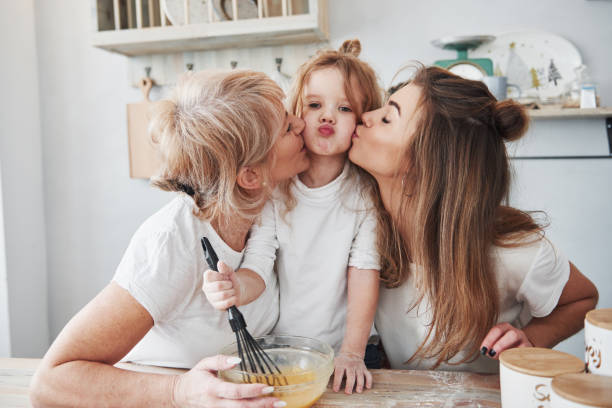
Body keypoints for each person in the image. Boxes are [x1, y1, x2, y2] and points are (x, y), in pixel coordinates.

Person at [30, 69, 310, 408]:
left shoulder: (266, 208)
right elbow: (50, 381)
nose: (302, 124)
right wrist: (178, 392)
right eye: (287, 128)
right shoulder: (172, 243)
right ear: (250, 175)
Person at [349, 65, 599, 373]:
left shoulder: (512, 250)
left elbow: (582, 298)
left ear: (427, 164)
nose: (367, 116)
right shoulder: (365, 230)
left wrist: (532, 339)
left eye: (388, 118)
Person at [203, 39, 383, 394]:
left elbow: (364, 271)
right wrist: (239, 286)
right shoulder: (277, 191)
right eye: (315, 105)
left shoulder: (364, 193)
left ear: (362, 121)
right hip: (288, 352)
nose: (327, 116)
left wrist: (352, 352)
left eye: (344, 108)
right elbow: (260, 260)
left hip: (354, 352)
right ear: (297, 113)